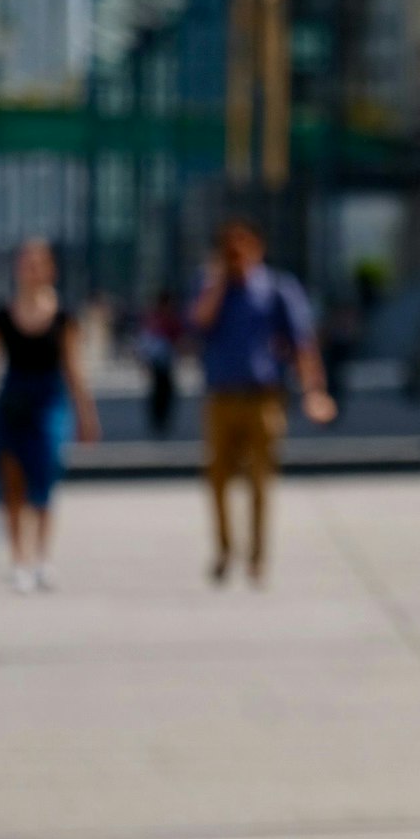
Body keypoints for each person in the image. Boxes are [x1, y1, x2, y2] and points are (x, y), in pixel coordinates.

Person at [190, 219, 336, 586]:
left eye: (242, 249)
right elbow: (198, 323)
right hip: (221, 397)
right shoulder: (212, 287)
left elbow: (302, 342)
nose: (236, 257)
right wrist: (220, 282)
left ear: (257, 248)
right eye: (229, 250)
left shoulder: (276, 289)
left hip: (263, 397)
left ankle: (257, 556)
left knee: (260, 480)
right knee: (218, 478)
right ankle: (225, 549)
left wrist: (314, 390)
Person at [0, 239, 102, 594]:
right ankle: (18, 560)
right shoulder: (1, 317)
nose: (32, 269)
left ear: (50, 269)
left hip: (49, 402)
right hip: (12, 402)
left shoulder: (64, 318)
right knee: (12, 483)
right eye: (26, 262)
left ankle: (42, 558)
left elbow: (74, 368)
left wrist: (86, 414)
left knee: (45, 475)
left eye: (39, 263)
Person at [138, 289, 183, 438]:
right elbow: (146, 341)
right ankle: (157, 420)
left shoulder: (170, 319)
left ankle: (163, 419)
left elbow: (178, 339)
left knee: (167, 391)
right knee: (157, 391)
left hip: (167, 362)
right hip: (157, 362)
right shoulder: (155, 319)